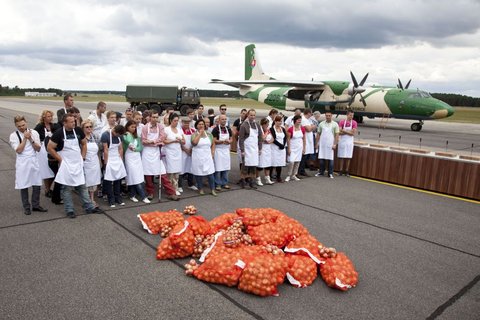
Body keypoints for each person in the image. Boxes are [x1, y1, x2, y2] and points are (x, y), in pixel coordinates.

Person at [47, 114, 103, 218]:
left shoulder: (78, 131)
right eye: (71, 122)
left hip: (78, 163)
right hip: (66, 165)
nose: (74, 123)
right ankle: (70, 210)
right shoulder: (58, 133)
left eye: (74, 121)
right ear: (64, 123)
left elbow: (84, 144)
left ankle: (89, 207)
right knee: (66, 188)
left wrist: (83, 157)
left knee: (82, 186)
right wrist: (60, 159)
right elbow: (50, 148)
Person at [9, 115, 47, 215]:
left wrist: (31, 139)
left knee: (36, 184)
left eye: (23, 125)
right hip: (22, 162)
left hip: (34, 161)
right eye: (19, 126)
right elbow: (19, 150)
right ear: (16, 126)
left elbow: (38, 148)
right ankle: (26, 206)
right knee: (23, 184)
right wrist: (25, 139)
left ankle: (36, 205)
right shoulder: (13, 135)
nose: (21, 127)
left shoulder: (34, 133)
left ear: (26, 122)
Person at [141, 111, 178, 201]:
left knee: (162, 173)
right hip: (147, 152)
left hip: (157, 151)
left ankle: (171, 192)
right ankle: (150, 192)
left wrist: (152, 141)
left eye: (157, 117)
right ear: (149, 117)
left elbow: (162, 138)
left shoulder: (160, 127)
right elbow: (143, 141)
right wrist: (153, 142)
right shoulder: (145, 128)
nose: (155, 119)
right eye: (153, 117)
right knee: (148, 174)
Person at [123, 120, 150, 203]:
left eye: (135, 127)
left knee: (138, 176)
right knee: (133, 176)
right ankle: (143, 196)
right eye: (132, 127)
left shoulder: (136, 137)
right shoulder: (125, 135)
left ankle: (132, 194)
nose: (133, 129)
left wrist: (135, 149)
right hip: (129, 158)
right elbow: (128, 141)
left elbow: (140, 147)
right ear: (127, 127)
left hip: (137, 158)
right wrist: (127, 134)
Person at [33, 110, 59, 197]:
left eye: (51, 116)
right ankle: (47, 189)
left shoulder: (54, 126)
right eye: (48, 116)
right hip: (43, 151)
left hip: (51, 149)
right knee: (46, 170)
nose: (50, 118)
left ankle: (48, 188)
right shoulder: (39, 127)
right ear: (44, 117)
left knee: (52, 170)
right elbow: (34, 135)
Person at [102, 125, 127, 207]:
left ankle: (118, 198)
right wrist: (106, 163)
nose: (117, 136)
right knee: (109, 181)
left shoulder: (120, 136)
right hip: (109, 159)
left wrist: (120, 160)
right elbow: (105, 149)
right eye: (116, 134)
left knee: (118, 179)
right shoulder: (105, 135)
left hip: (117, 159)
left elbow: (120, 148)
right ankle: (111, 199)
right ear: (114, 130)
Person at [191, 119, 216, 196]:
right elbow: (194, 143)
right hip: (198, 156)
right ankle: (200, 188)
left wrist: (212, 153)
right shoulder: (194, 134)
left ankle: (212, 189)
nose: (201, 126)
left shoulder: (209, 134)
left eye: (202, 124)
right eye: (199, 124)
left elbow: (213, 144)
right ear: (196, 126)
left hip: (207, 156)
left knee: (210, 173)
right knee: (199, 173)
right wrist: (200, 134)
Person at [238, 109, 262, 189]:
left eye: (254, 115)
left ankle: (252, 181)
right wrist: (242, 150)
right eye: (251, 115)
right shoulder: (243, 125)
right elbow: (241, 139)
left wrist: (260, 148)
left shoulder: (257, 125)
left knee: (253, 166)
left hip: (254, 149)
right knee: (245, 166)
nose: (252, 117)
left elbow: (260, 138)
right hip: (247, 149)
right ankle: (243, 180)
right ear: (248, 115)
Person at [163, 113, 185, 195]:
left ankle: (175, 187)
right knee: (170, 171)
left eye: (177, 121)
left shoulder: (179, 130)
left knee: (177, 171)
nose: (176, 122)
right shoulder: (166, 129)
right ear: (170, 121)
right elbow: (164, 140)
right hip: (169, 152)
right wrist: (173, 141)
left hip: (177, 152)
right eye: (175, 121)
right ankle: (170, 188)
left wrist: (180, 140)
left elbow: (184, 141)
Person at [82, 119, 101, 208]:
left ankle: (92, 199)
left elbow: (98, 150)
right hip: (85, 163)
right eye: (87, 127)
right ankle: (86, 200)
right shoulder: (81, 139)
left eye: (90, 126)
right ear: (83, 128)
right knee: (86, 182)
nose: (89, 128)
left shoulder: (95, 137)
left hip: (95, 162)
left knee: (94, 182)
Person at [315, 111, 339, 179]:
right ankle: (321, 172)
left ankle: (330, 173)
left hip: (330, 144)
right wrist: (316, 143)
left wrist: (335, 144)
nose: (328, 117)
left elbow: (337, 135)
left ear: (331, 116)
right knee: (321, 158)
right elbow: (318, 134)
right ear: (325, 116)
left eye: (329, 115)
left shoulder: (335, 124)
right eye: (327, 115)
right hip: (322, 144)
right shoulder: (321, 124)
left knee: (330, 159)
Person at [212, 114, 232, 190]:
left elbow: (231, 139)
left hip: (226, 151)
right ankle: (217, 184)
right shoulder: (216, 129)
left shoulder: (228, 129)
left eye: (225, 119)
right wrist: (222, 141)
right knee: (218, 168)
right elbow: (214, 140)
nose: (224, 121)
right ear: (219, 120)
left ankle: (224, 183)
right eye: (222, 119)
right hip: (218, 151)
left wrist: (229, 141)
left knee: (226, 168)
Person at [285, 115, 306, 182]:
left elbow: (304, 139)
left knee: (297, 162)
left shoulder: (302, 129)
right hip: (292, 147)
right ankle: (288, 175)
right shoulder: (290, 129)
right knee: (291, 161)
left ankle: (294, 175)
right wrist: (289, 148)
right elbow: (288, 139)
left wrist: (304, 148)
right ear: (295, 121)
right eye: (298, 120)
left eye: (300, 120)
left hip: (299, 147)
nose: (299, 121)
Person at [337, 110, 358, 177]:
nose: (351, 117)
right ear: (347, 115)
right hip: (342, 141)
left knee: (348, 156)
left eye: (352, 115)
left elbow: (353, 133)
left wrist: (343, 130)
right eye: (350, 115)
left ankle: (346, 170)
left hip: (349, 142)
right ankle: (340, 170)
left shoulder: (354, 122)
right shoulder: (342, 122)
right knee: (341, 156)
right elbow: (339, 132)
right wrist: (349, 131)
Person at [180, 117, 197, 191]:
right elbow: (179, 142)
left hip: (191, 152)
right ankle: (179, 185)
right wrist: (185, 149)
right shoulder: (179, 131)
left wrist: (191, 149)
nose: (187, 124)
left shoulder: (193, 130)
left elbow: (195, 141)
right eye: (185, 122)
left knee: (190, 168)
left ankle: (191, 184)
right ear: (182, 123)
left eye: (188, 122)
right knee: (181, 168)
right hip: (182, 152)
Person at [298, 109, 316, 175]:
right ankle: (300, 170)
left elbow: (314, 127)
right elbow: (308, 129)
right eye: (311, 113)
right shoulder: (303, 119)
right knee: (303, 156)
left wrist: (312, 127)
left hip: (309, 140)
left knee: (307, 156)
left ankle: (302, 169)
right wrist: (312, 127)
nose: (311, 115)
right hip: (305, 140)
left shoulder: (309, 120)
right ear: (308, 113)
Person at [257, 118, 274, 185]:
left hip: (268, 149)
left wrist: (270, 141)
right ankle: (258, 179)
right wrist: (266, 132)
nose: (267, 126)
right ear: (263, 124)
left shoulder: (269, 129)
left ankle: (267, 178)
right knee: (260, 165)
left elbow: (273, 138)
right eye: (266, 125)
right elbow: (262, 138)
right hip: (262, 149)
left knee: (267, 165)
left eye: (268, 124)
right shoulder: (260, 130)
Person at [270, 115, 287, 183]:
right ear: (275, 121)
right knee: (273, 162)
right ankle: (270, 176)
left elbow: (285, 137)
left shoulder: (282, 129)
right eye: (278, 121)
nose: (280, 122)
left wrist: (283, 145)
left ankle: (278, 176)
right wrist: (280, 145)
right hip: (274, 148)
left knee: (280, 162)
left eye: (281, 121)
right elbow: (273, 139)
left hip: (281, 148)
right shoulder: (272, 129)